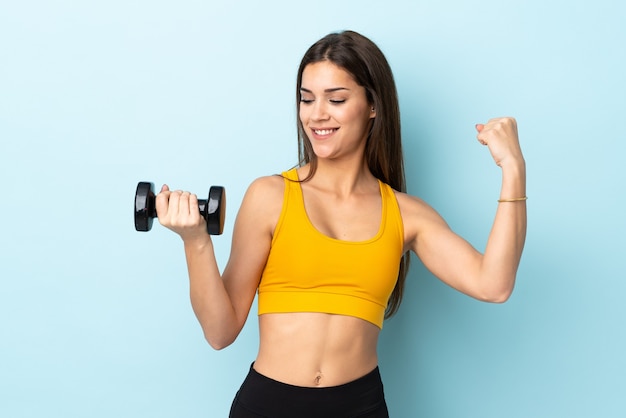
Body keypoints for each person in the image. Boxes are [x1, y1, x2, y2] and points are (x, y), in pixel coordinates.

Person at [155, 30, 526, 418]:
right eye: (306, 99)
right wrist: (196, 241)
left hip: (359, 408)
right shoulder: (270, 196)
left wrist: (513, 168)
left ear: (372, 106)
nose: (317, 114)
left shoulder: (406, 214)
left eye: (336, 99)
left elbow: (494, 284)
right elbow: (220, 331)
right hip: (267, 406)